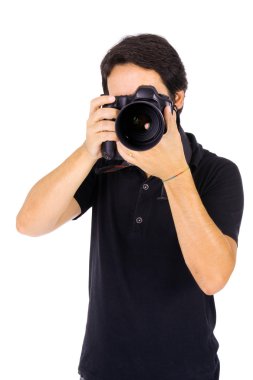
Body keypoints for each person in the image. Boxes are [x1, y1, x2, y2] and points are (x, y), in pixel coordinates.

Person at [16, 34, 244, 380]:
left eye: (144, 99)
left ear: (178, 98)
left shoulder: (216, 172)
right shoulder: (104, 167)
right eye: (120, 102)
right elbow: (29, 224)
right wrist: (88, 149)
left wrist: (175, 173)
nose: (134, 114)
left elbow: (213, 277)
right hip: (104, 370)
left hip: (188, 372)